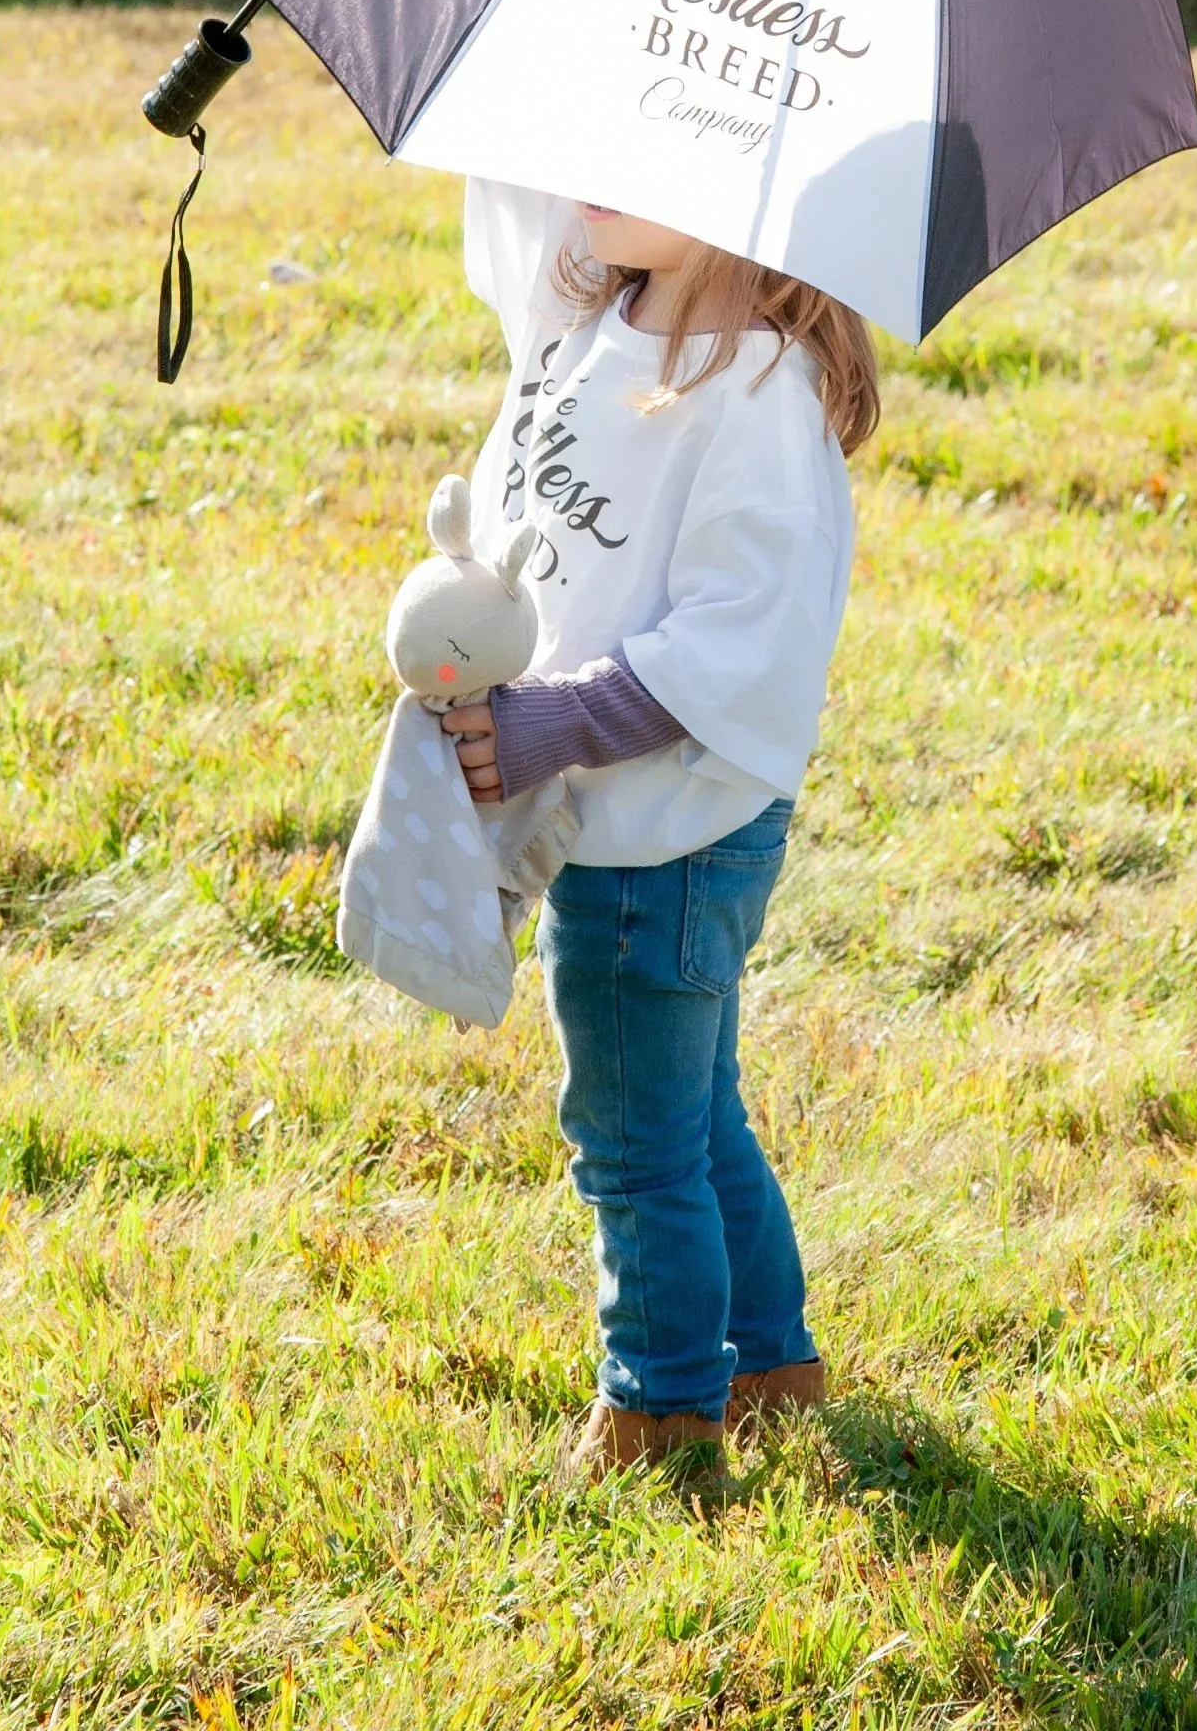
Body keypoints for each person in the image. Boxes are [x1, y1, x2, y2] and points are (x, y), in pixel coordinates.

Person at [439, 182, 876, 1480]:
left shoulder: (756, 398)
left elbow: (737, 640)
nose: (595, 169)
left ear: (760, 190)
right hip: (626, 817)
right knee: (693, 1112)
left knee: (631, 1140)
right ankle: (769, 1365)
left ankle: (663, 1411)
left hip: (666, 836)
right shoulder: (588, 303)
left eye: (652, 154)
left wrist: (549, 726)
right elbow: (514, 179)